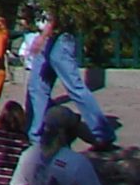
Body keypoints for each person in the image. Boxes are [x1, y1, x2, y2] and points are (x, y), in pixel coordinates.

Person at [24, 14, 119, 148]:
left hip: (58, 38)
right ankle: (36, 136)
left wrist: (43, 36)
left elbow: (57, 10)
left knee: (74, 87)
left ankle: (102, 133)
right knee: (37, 87)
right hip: (49, 39)